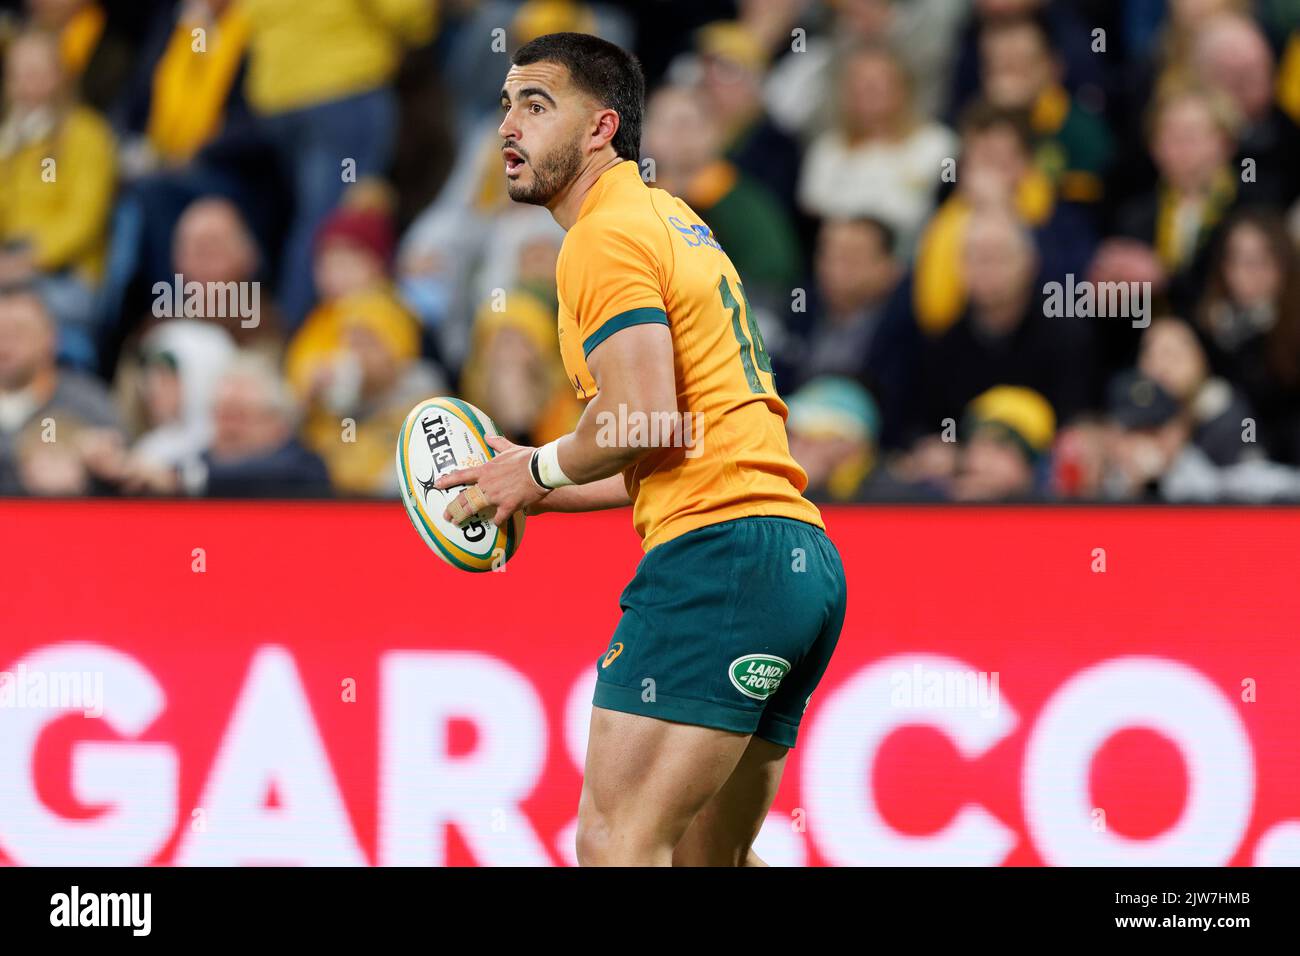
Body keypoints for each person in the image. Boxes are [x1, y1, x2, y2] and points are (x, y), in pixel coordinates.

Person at [433, 33, 846, 867]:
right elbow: (674, 443)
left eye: (537, 104)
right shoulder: (670, 219)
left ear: (601, 128)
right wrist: (535, 487)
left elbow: (643, 419)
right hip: (793, 561)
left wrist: (539, 464)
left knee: (618, 843)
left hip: (719, 562)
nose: (509, 124)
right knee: (704, 859)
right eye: (507, 103)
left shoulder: (602, 235)